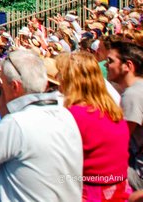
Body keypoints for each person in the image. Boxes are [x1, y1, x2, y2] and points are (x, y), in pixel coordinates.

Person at [0, 49, 83, 201]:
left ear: (14, 86)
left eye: (2, 84)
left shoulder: (17, 124)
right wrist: (3, 109)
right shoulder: (65, 115)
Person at [56, 51, 130, 201]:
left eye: (60, 74)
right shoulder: (113, 110)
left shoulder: (73, 115)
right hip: (119, 191)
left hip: (89, 193)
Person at [106, 41, 143, 190]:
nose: (105, 65)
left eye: (110, 61)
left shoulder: (133, 95)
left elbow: (120, 140)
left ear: (128, 66)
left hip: (137, 172)